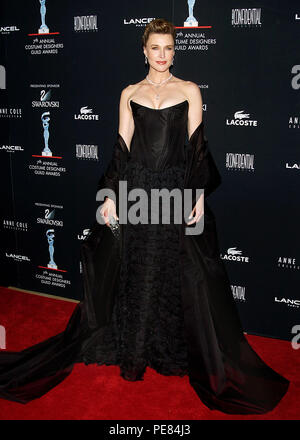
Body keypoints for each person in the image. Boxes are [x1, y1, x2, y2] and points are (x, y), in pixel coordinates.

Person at [0, 18, 290, 414]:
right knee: (136, 268)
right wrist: (111, 196)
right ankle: (134, 347)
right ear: (144, 50)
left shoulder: (189, 91)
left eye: (169, 48)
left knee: (173, 270)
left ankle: (168, 346)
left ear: (175, 50)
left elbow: (197, 149)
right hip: (136, 189)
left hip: (173, 190)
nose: (162, 55)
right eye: (156, 48)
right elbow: (121, 147)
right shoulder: (129, 93)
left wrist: (199, 194)